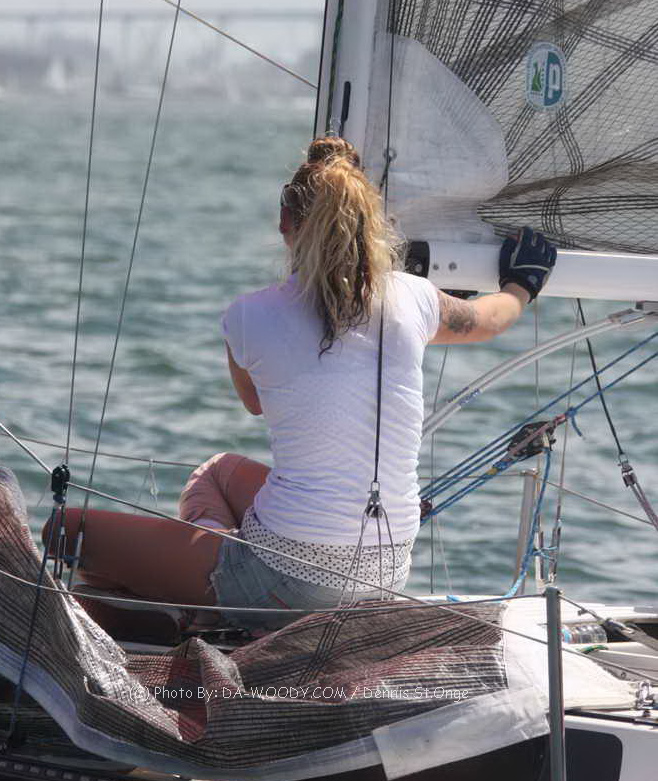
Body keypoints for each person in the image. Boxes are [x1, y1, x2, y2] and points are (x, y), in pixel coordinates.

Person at [49, 136, 556, 632]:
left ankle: (214, 602)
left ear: (285, 224)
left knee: (64, 532)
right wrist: (523, 282)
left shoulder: (249, 316)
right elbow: (491, 318)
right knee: (220, 472)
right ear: (372, 226)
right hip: (385, 574)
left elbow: (255, 403)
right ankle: (217, 589)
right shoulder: (417, 298)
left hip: (287, 584)